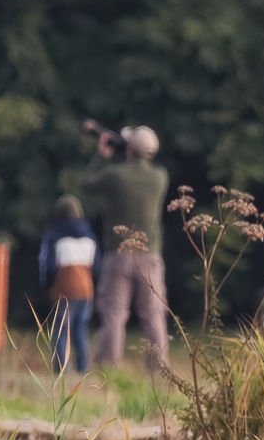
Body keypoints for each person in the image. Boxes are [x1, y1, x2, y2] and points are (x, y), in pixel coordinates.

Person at [83, 124, 169, 369]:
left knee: (114, 313)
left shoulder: (115, 175)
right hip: (150, 256)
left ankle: (109, 368)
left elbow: (87, 183)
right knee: (153, 315)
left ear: (129, 148)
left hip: (118, 255)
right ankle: (159, 371)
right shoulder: (160, 177)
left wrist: (102, 155)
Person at [38, 193, 99, 373]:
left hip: (63, 289)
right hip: (85, 291)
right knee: (81, 330)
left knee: (61, 330)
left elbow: (47, 266)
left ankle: (61, 370)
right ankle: (82, 369)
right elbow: (97, 267)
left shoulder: (54, 237)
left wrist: (47, 285)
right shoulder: (90, 237)